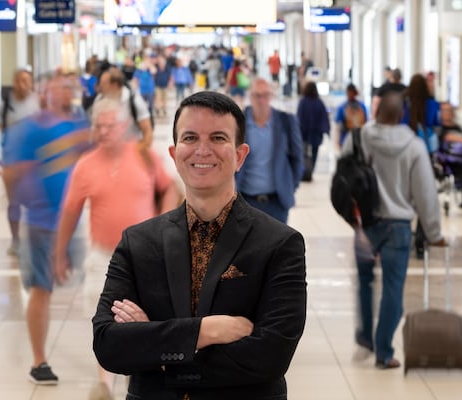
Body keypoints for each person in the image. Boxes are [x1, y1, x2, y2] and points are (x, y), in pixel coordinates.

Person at [92, 90, 307, 399]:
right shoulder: (138, 242)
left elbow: (270, 357)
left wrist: (159, 353)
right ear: (174, 153)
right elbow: (108, 344)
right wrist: (208, 331)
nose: (202, 150)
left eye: (218, 138)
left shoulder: (279, 244)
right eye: (190, 138)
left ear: (240, 155)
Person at [55, 98, 180, 399]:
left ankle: (137, 379)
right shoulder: (85, 165)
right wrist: (58, 253)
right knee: (106, 323)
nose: (103, 131)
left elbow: (170, 188)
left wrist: (163, 224)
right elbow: (70, 211)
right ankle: (105, 385)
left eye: (110, 125)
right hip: (103, 257)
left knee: (140, 318)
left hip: (146, 256)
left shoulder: (143, 156)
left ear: (124, 126)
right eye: (98, 125)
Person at [341, 92, 445, 370]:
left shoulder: (359, 137)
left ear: (376, 113)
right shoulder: (414, 146)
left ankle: (365, 336)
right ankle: (384, 352)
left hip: (365, 224)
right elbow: (425, 194)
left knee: (364, 282)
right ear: (402, 116)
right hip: (398, 228)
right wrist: (434, 233)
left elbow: (344, 173)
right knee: (392, 289)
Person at [2, 75, 91, 385]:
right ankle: (39, 361)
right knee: (42, 289)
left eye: (70, 87)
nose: (67, 92)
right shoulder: (28, 129)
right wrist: (21, 206)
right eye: (60, 87)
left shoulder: (80, 127)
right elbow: (11, 173)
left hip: (73, 222)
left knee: (96, 286)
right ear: (45, 92)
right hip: (41, 225)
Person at [0, 68, 40, 255]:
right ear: (14, 83)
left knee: (37, 202)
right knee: (14, 202)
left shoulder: (39, 103)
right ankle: (16, 239)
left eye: (27, 80)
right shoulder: (3, 105)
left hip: (35, 163)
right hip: (12, 162)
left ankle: (35, 239)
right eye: (19, 80)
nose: (23, 84)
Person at [236, 78, 304, 223]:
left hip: (277, 202)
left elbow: (297, 157)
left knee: (277, 245)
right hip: (245, 201)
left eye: (265, 95)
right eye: (257, 95)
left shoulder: (286, 121)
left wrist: (291, 186)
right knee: (248, 245)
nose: (261, 100)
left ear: (271, 96)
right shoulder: (237, 123)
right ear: (250, 97)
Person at [403, 73, 441, 258]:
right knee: (424, 197)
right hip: (426, 156)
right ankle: (421, 238)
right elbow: (436, 125)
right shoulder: (432, 105)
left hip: (406, 156)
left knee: (406, 196)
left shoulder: (404, 104)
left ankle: (403, 234)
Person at [94, 66, 153, 148]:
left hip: (129, 155)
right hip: (106, 154)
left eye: (104, 83)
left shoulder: (134, 100)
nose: (100, 86)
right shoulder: (99, 99)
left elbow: (147, 131)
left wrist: (137, 154)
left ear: (115, 85)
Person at [438, 101, 462, 210]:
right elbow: (448, 138)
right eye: (445, 110)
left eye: (450, 110)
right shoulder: (440, 128)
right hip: (449, 160)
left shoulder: (458, 127)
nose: (448, 113)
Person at [296, 80, 330, 182]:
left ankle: (304, 172)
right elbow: (324, 118)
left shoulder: (303, 102)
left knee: (303, 154)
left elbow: (299, 118)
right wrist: (326, 131)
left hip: (304, 134)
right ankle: (310, 172)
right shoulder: (319, 103)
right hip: (316, 134)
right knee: (314, 154)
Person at [335, 83, 368, 147]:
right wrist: (337, 141)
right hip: (347, 138)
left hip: (357, 138)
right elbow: (338, 126)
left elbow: (365, 123)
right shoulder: (343, 107)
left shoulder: (361, 106)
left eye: (351, 93)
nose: (350, 94)